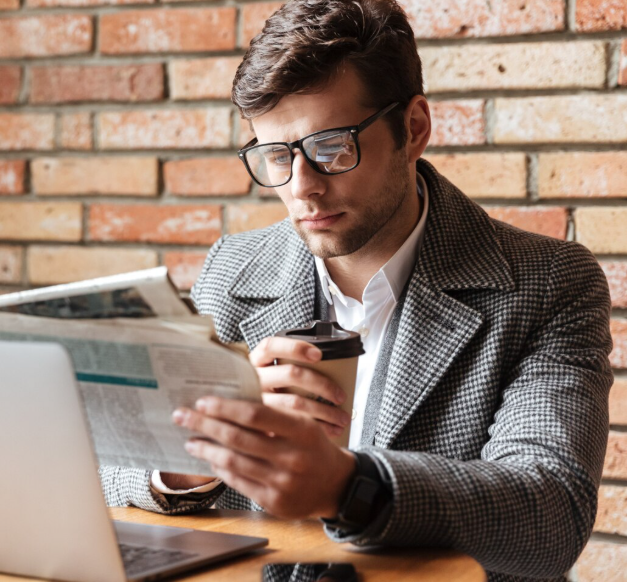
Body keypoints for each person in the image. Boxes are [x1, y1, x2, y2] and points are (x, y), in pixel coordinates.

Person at [98, 1, 613, 580]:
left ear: (413, 129)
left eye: (331, 148)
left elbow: (550, 513)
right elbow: (109, 464)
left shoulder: (550, 283)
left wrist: (346, 487)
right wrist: (192, 463)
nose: (302, 188)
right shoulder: (232, 269)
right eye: (276, 155)